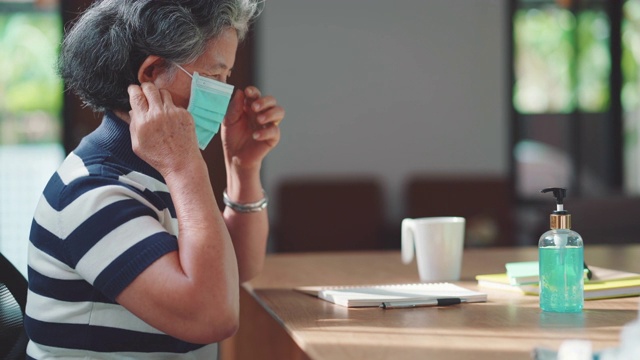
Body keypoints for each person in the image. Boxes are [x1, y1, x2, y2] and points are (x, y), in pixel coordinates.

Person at [24, 0, 283, 358]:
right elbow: (213, 316)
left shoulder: (154, 169)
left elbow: (234, 270)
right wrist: (185, 167)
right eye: (211, 76)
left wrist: (242, 167)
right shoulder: (93, 191)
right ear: (151, 74)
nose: (225, 96)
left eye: (227, 77)